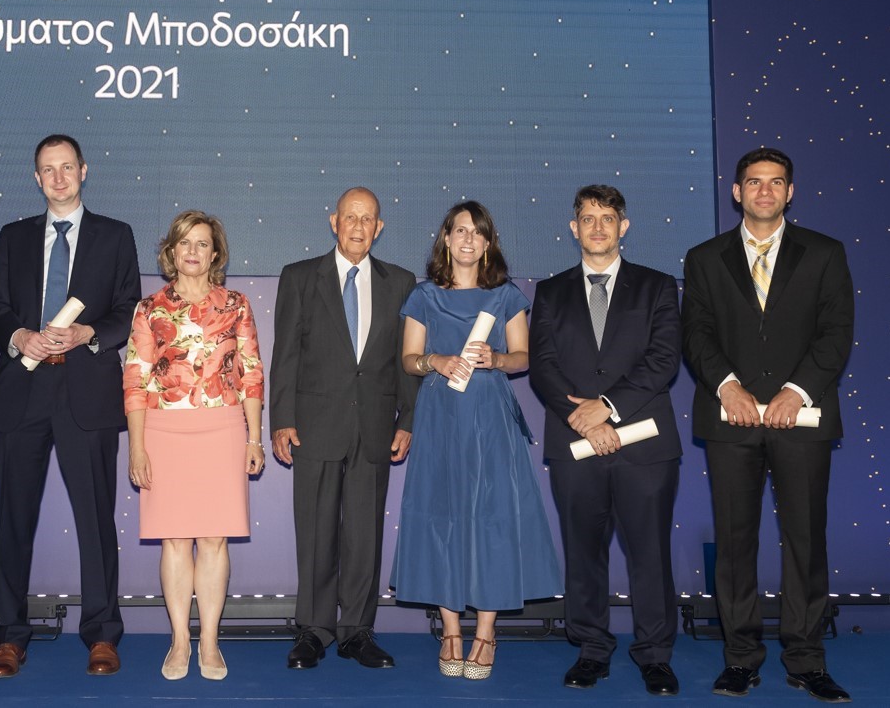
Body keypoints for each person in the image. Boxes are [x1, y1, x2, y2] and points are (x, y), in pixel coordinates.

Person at [683, 148, 854, 703]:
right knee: (735, 545)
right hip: (730, 420)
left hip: (801, 419)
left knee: (805, 542)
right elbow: (696, 332)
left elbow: (836, 332)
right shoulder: (704, 258)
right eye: (753, 182)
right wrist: (727, 385)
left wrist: (795, 390)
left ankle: (806, 660)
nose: (764, 191)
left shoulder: (825, 253)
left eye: (775, 182)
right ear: (737, 192)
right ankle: (740, 658)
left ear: (790, 192)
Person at [0, 134, 141, 678]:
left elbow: (128, 309)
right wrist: (19, 336)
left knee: (96, 522)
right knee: (14, 521)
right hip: (21, 392)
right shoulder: (13, 236)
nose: (58, 177)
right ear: (36, 178)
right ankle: (10, 636)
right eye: (47, 169)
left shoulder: (115, 235)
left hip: (87, 395)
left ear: (83, 170)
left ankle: (102, 634)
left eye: (66, 167)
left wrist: (86, 333)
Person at [392, 200, 561, 680]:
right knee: (442, 516)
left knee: (492, 518)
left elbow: (523, 356)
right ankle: (450, 631)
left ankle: (486, 633)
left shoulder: (505, 295)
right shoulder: (424, 296)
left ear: (488, 242)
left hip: (490, 414)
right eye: (460, 230)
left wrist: (497, 359)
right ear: (446, 238)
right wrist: (436, 361)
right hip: (440, 414)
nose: (468, 239)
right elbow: (409, 359)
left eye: (477, 232)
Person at [529, 185, 682, 696]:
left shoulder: (658, 287)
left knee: (650, 555)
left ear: (624, 226)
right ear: (574, 228)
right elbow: (543, 367)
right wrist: (589, 422)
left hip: (645, 447)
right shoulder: (550, 292)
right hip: (575, 444)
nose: (598, 227)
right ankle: (591, 649)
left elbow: (664, 360)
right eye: (588, 218)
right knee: (583, 553)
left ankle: (655, 656)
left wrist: (609, 408)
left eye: (608, 218)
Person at [270, 187, 418, 670]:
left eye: (367, 218)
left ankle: (357, 631)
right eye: (350, 217)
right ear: (334, 222)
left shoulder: (401, 282)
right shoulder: (299, 277)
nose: (358, 226)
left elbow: (405, 359)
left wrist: (407, 419)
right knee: (315, 531)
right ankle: (313, 631)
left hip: (375, 426)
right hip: (314, 425)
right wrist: (282, 419)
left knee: (364, 534)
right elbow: (285, 354)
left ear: (379, 228)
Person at [123, 211, 265, 681]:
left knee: (214, 539)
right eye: (185, 242)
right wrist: (137, 448)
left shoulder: (237, 305)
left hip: (222, 430)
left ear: (215, 254)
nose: (192, 251)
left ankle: (210, 642)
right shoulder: (149, 309)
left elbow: (251, 374)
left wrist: (254, 437)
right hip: (164, 432)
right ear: (171, 250)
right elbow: (136, 380)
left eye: (202, 243)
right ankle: (180, 641)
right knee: (175, 539)